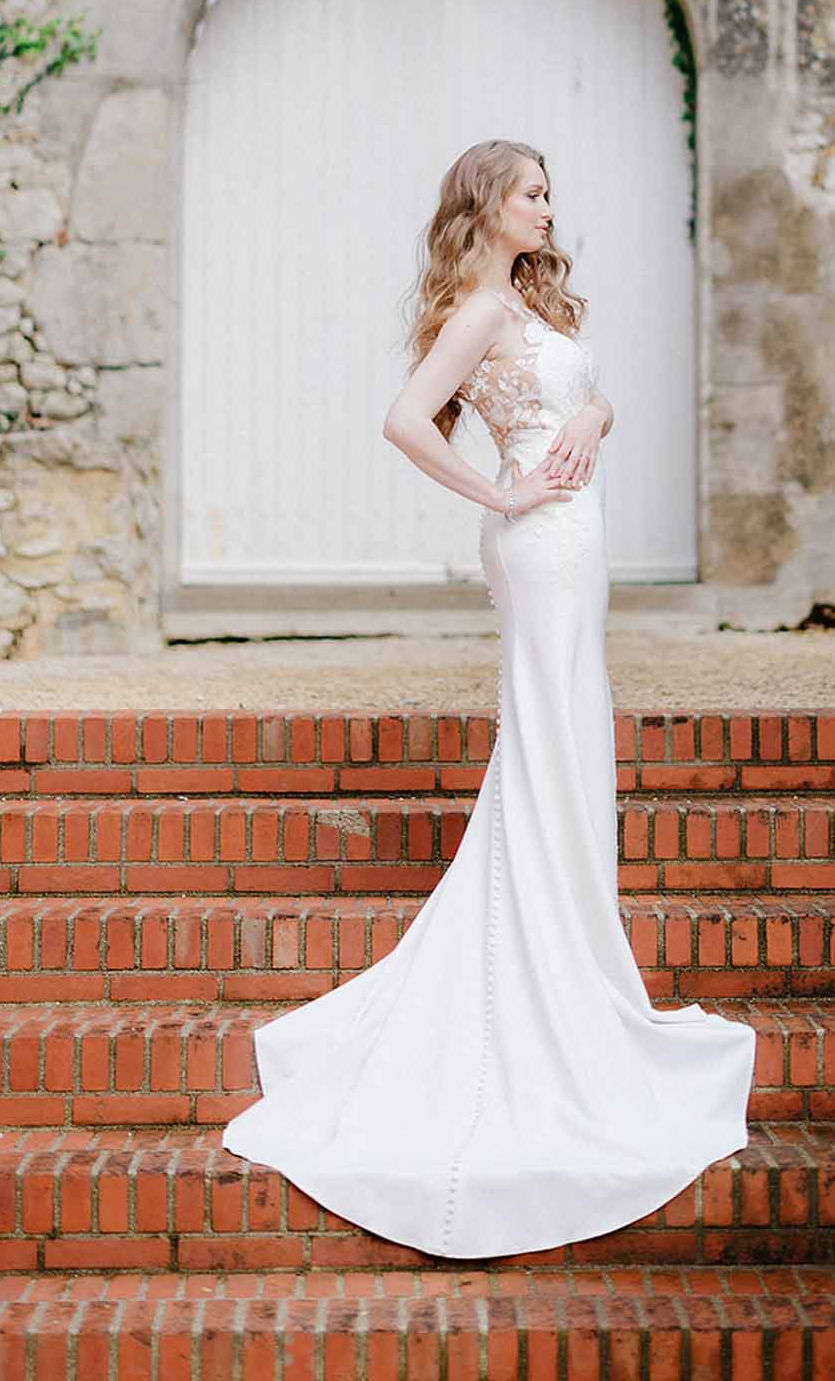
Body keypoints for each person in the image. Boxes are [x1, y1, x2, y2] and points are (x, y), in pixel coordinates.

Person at [221, 138, 757, 1257]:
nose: (549, 206)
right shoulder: (477, 309)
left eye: (552, 191)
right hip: (542, 540)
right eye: (532, 192)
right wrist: (501, 492)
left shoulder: (528, 301)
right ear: (488, 205)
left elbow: (591, 398)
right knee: (547, 744)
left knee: (564, 740)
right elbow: (404, 418)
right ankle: (547, 968)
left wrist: (590, 423)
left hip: (576, 534)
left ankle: (569, 939)